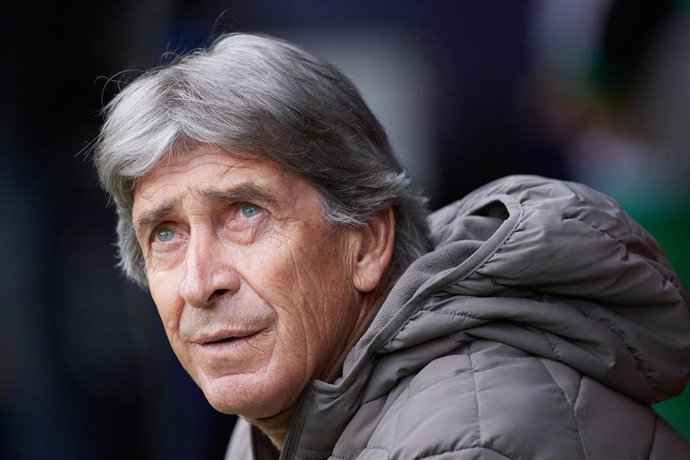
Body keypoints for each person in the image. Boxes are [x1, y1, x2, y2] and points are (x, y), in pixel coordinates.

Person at [93, 33, 690, 459]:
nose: (201, 282)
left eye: (247, 212)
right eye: (165, 233)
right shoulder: (283, 415)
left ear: (368, 243)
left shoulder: (471, 439)